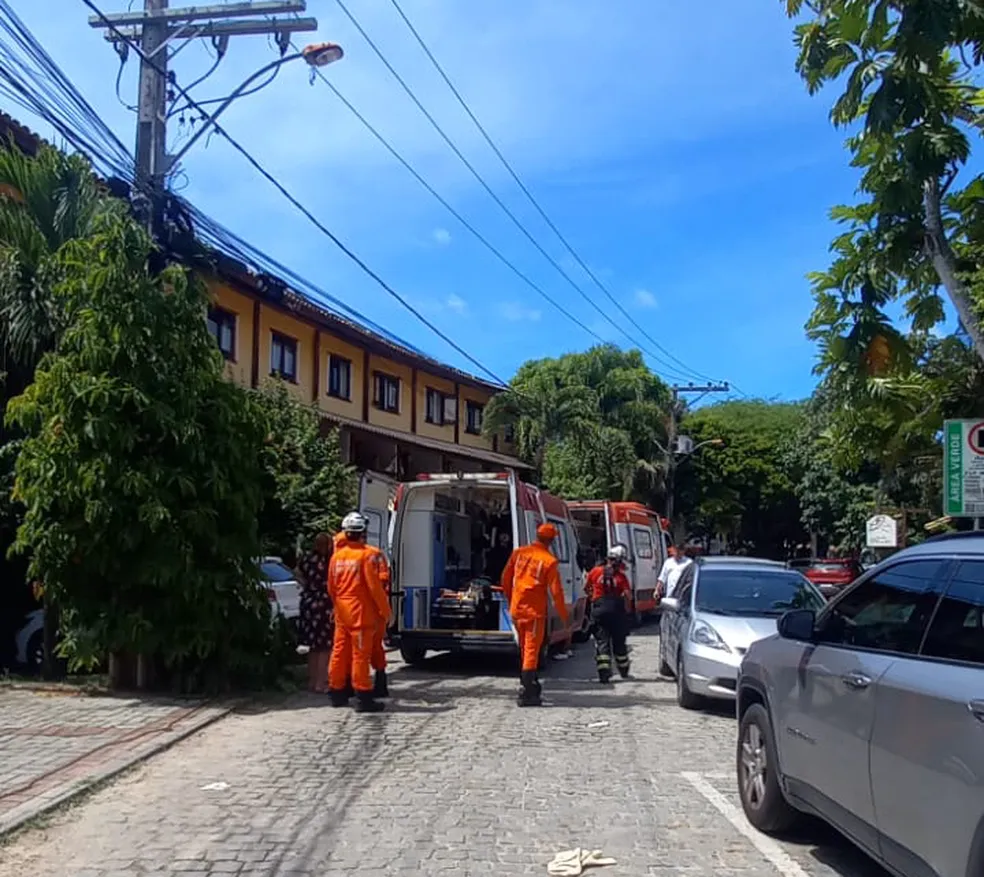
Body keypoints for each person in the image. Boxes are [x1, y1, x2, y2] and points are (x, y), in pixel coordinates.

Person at [499, 523, 570, 707]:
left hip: (517, 609)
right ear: (552, 541)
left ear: (537, 536)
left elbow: (506, 578)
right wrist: (564, 617)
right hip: (534, 612)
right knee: (531, 649)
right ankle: (527, 691)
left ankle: (531, 682)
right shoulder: (549, 561)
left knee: (524, 647)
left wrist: (510, 597)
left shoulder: (519, 553)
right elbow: (556, 593)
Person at [327, 512, 391, 712]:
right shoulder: (367, 555)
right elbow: (375, 588)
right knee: (360, 656)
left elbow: (331, 586)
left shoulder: (337, 557)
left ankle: (336, 693)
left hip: (342, 612)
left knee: (338, 652)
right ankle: (364, 697)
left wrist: (336, 606)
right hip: (360, 613)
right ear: (363, 531)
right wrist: (387, 612)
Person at [585, 545, 632, 684]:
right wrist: (627, 612)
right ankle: (623, 670)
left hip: (599, 611)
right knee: (619, 642)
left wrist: (593, 599)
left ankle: (604, 674)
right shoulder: (621, 577)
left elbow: (586, 587)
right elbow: (628, 596)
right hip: (617, 612)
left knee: (602, 643)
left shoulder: (594, 572)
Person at [296, 533, 334, 693]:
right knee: (325, 646)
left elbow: (296, 573)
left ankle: (311, 681)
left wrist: (307, 585)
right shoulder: (329, 561)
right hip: (324, 604)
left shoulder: (306, 559)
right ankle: (321, 682)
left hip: (308, 603)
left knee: (312, 646)